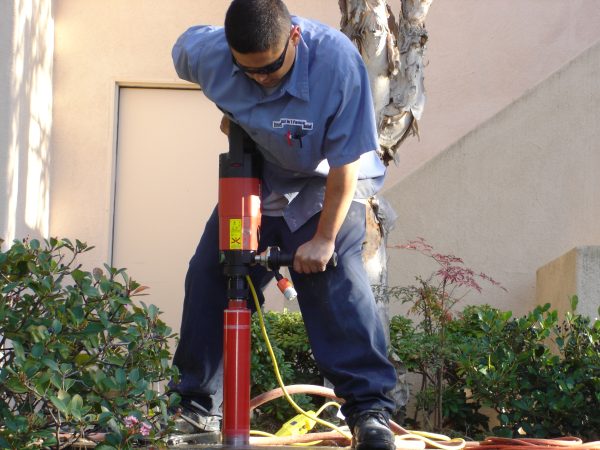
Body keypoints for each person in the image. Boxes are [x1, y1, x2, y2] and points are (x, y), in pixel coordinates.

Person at [169, 1, 397, 449]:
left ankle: (370, 412)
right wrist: (239, 119)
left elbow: (345, 165)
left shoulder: (337, 63)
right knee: (210, 274)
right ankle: (196, 408)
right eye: (247, 71)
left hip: (326, 179)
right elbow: (184, 45)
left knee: (334, 279)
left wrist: (325, 239)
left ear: (293, 37)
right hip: (261, 176)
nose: (260, 78)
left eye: (271, 68)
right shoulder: (206, 53)